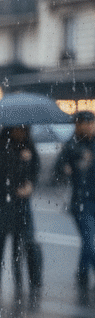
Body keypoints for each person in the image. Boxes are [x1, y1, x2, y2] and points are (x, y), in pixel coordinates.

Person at [0, 124, 42, 313]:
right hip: (0, 199)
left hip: (20, 202)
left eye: (24, 130)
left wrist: (30, 184)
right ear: (9, 129)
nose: (21, 133)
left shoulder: (29, 146)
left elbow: (35, 170)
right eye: (17, 129)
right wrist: (18, 158)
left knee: (19, 242)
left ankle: (19, 283)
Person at [53, 110, 95, 305]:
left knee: (87, 240)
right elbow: (58, 169)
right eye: (83, 124)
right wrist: (68, 168)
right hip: (81, 200)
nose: (87, 127)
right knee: (88, 239)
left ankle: (82, 273)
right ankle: (85, 272)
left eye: (90, 123)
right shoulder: (72, 145)